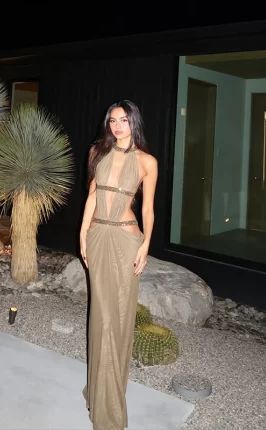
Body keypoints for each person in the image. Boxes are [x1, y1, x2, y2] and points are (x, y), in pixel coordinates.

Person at [80, 100, 158, 430]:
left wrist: (146, 245)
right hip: (98, 236)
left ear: (133, 122)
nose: (117, 126)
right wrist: (83, 234)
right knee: (101, 316)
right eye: (112, 120)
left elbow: (148, 210)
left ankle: (110, 402)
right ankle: (97, 391)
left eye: (123, 120)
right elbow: (92, 195)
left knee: (120, 317)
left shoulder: (147, 161)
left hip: (127, 240)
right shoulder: (97, 152)